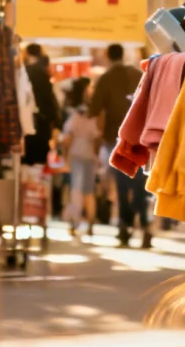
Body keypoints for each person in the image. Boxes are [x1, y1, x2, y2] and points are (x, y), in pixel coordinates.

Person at [90, 43, 152, 249]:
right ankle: (145, 226)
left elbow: (94, 109)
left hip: (116, 139)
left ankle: (125, 227)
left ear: (107, 56)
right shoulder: (137, 74)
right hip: (141, 137)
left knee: (123, 184)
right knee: (141, 184)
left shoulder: (106, 78)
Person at [60, 78, 98, 237]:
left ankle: (74, 222)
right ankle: (90, 223)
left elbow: (68, 137)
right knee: (88, 190)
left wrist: (65, 156)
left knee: (75, 189)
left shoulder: (73, 113)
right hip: (90, 155)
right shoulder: (93, 113)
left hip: (76, 154)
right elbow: (96, 136)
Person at [22, 44, 61, 168]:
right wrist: (55, 121)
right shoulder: (43, 70)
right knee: (39, 159)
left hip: (32, 119)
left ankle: (30, 184)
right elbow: (49, 98)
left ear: (27, 53)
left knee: (29, 157)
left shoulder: (28, 70)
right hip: (42, 121)